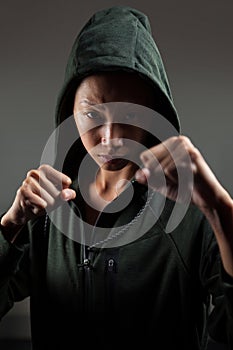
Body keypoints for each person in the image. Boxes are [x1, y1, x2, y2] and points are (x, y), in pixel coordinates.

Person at [0, 5, 233, 350]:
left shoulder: (189, 217)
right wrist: (10, 225)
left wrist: (219, 207)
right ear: (70, 114)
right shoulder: (46, 214)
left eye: (128, 113)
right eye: (92, 113)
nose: (110, 137)